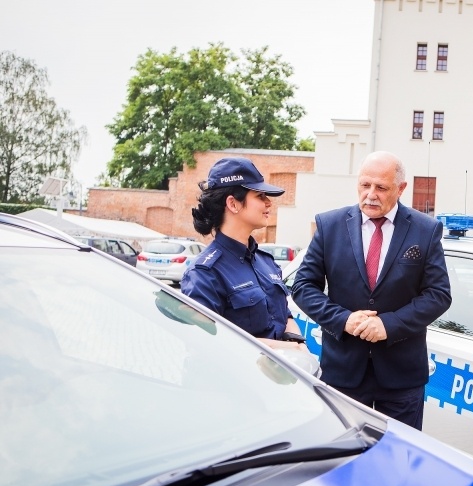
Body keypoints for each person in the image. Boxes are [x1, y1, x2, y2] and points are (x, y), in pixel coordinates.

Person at [291, 150, 451, 430]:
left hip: (402, 377)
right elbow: (304, 286)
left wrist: (388, 325)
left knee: (399, 458)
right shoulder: (329, 226)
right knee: (343, 459)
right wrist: (344, 319)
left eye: (381, 187)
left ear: (401, 189)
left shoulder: (426, 230)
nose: (370, 195)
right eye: (365, 185)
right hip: (343, 372)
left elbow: (438, 294)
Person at [181, 157, 308, 351]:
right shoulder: (205, 272)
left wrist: (297, 342)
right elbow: (208, 340)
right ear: (233, 204)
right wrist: (284, 350)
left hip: (274, 378)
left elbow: (284, 314)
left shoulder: (266, 263)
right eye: (260, 196)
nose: (268, 203)